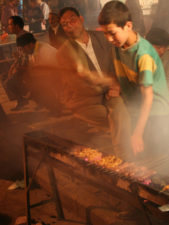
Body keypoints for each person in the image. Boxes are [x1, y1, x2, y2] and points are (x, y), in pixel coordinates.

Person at [98, 1, 169, 157]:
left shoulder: (143, 55)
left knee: (154, 165)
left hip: (156, 113)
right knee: (135, 160)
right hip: (137, 108)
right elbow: (117, 71)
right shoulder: (117, 45)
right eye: (105, 33)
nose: (108, 38)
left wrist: (138, 133)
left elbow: (148, 97)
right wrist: (115, 85)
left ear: (128, 26)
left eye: (112, 33)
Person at [57, 7, 131, 158]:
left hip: (111, 92)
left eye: (72, 20)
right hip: (85, 100)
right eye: (64, 24)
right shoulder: (63, 53)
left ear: (81, 19)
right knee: (116, 120)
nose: (69, 25)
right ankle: (126, 158)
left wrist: (116, 85)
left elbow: (120, 62)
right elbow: (77, 86)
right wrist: (107, 84)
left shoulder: (103, 38)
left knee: (120, 110)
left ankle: (125, 157)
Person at [16, 32, 60, 112]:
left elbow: (49, 70)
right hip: (49, 75)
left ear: (30, 44)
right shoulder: (33, 50)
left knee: (37, 85)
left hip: (59, 74)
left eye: (23, 48)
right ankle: (51, 106)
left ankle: (55, 106)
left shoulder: (44, 50)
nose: (23, 51)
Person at [2, 16, 29, 111]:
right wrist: (14, 65)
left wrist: (17, 67)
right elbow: (21, 55)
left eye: (10, 24)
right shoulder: (19, 36)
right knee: (5, 77)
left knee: (9, 82)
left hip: (28, 67)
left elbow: (27, 56)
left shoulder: (24, 37)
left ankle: (22, 99)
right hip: (22, 65)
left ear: (17, 26)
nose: (8, 26)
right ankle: (21, 99)